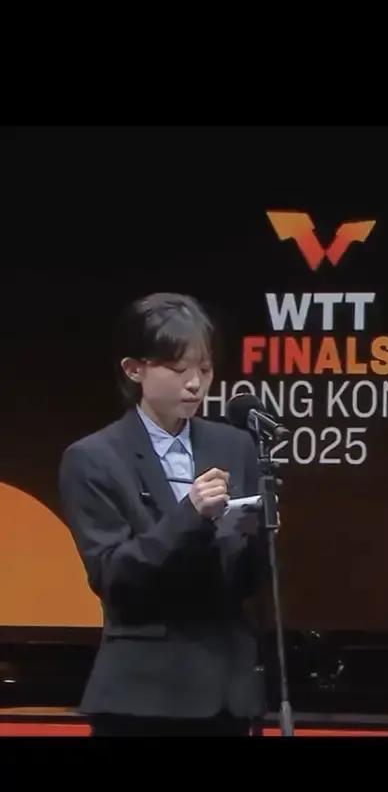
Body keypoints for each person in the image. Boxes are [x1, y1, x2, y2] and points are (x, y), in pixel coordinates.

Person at [58, 292, 268, 735]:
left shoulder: (235, 446)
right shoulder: (94, 458)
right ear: (134, 369)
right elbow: (114, 575)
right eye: (177, 370)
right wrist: (190, 515)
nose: (195, 384)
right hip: (143, 696)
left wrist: (260, 529)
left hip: (227, 695)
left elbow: (249, 581)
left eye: (205, 370)